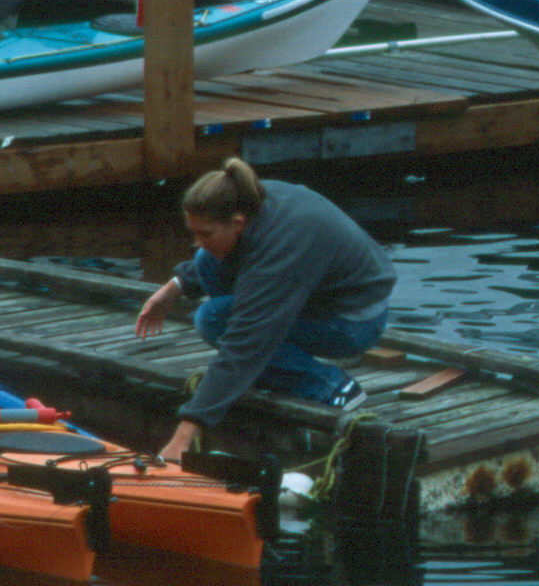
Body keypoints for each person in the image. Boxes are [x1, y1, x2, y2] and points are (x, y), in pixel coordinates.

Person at [133, 158, 395, 464]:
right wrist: (175, 286)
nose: (196, 241)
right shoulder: (249, 199)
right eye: (193, 233)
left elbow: (246, 341)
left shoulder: (281, 249)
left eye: (204, 233)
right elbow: (216, 258)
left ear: (238, 224)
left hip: (354, 320)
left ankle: (333, 386)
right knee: (206, 261)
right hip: (315, 295)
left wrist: (183, 436)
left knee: (214, 320)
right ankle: (270, 369)